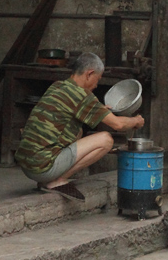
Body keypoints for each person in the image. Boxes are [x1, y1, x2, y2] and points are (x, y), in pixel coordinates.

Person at [15, 52, 144, 198]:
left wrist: (99, 110)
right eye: (97, 79)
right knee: (106, 140)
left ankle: (51, 177)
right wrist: (136, 121)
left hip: (27, 165)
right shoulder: (82, 95)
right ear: (89, 74)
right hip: (42, 169)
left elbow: (73, 109)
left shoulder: (57, 86)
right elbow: (118, 125)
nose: (96, 85)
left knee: (79, 131)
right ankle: (57, 180)